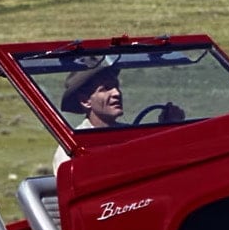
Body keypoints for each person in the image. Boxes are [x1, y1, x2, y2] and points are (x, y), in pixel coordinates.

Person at [53, 63, 183, 172]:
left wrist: (170, 128)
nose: (116, 93)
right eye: (106, 88)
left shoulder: (130, 134)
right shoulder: (72, 148)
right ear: (85, 101)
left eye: (116, 86)